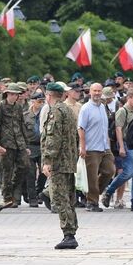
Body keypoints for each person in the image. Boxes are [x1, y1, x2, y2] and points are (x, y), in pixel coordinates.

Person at [41, 82, 79, 249]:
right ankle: (71, 230)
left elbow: (52, 137)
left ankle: (68, 234)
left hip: (59, 162)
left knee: (59, 197)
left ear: (49, 96)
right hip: (69, 160)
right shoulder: (68, 110)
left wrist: (48, 160)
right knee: (68, 197)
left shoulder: (55, 111)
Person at [77, 82, 114, 211]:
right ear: (90, 92)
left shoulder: (103, 107)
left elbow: (105, 128)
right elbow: (81, 128)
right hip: (91, 148)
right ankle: (92, 202)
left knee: (110, 171)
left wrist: (108, 145)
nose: (97, 93)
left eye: (99, 91)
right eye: (95, 91)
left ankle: (92, 193)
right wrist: (82, 146)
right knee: (91, 177)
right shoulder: (86, 108)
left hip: (104, 147)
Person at [101, 89, 133, 210]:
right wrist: (121, 147)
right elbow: (118, 129)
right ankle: (109, 191)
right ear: (129, 97)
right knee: (127, 172)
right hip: (126, 144)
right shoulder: (122, 111)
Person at [0, 84, 29, 211]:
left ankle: (11, 189)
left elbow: (21, 124)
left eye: (16, 94)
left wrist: (26, 144)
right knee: (6, 171)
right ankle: (7, 197)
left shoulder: (18, 107)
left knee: (24, 165)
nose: (14, 97)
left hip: (19, 141)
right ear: (7, 94)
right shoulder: (1, 107)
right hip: (6, 143)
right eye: (12, 94)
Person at [24, 91, 45, 207]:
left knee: (44, 171)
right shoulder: (25, 116)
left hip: (42, 146)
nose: (41, 104)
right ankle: (32, 197)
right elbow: (22, 132)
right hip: (30, 146)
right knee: (31, 173)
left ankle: (38, 192)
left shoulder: (46, 113)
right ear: (33, 102)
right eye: (39, 101)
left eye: (42, 101)